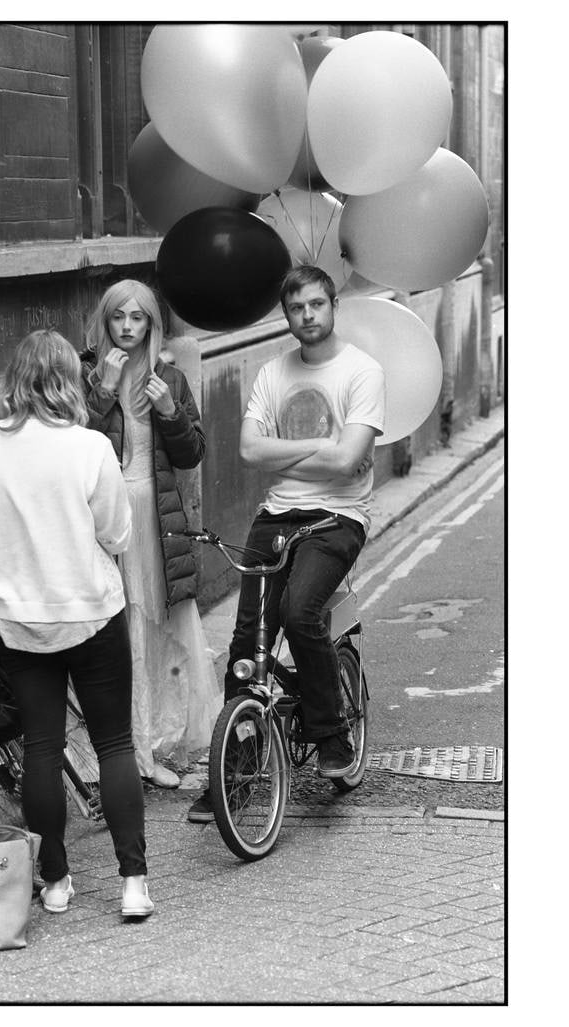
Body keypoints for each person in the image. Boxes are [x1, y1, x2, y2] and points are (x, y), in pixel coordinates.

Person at [0, 329, 153, 918]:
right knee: (114, 743)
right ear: (69, 379)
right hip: (91, 610)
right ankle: (134, 884)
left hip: (19, 619)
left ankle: (57, 882)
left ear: (14, 378)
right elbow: (117, 534)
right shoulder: (89, 447)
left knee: (40, 749)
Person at [188, 265, 386, 823]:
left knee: (300, 612)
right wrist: (326, 442)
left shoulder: (362, 372)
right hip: (276, 514)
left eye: (318, 305)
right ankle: (231, 774)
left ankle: (332, 738)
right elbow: (249, 451)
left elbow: (350, 465)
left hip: (338, 517)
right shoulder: (272, 372)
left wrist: (291, 447)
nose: (309, 317)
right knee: (247, 645)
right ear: (287, 314)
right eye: (298, 308)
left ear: (334, 306)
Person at [82, 279, 221, 788]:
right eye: (118, 317)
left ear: (152, 325)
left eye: (137, 319)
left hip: (155, 520)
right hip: (104, 520)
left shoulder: (170, 379)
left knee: (155, 635)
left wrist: (170, 411)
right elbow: (73, 449)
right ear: (105, 320)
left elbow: (192, 455)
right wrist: (100, 393)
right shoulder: (85, 373)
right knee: (118, 638)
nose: (127, 328)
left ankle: (154, 743)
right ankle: (127, 751)